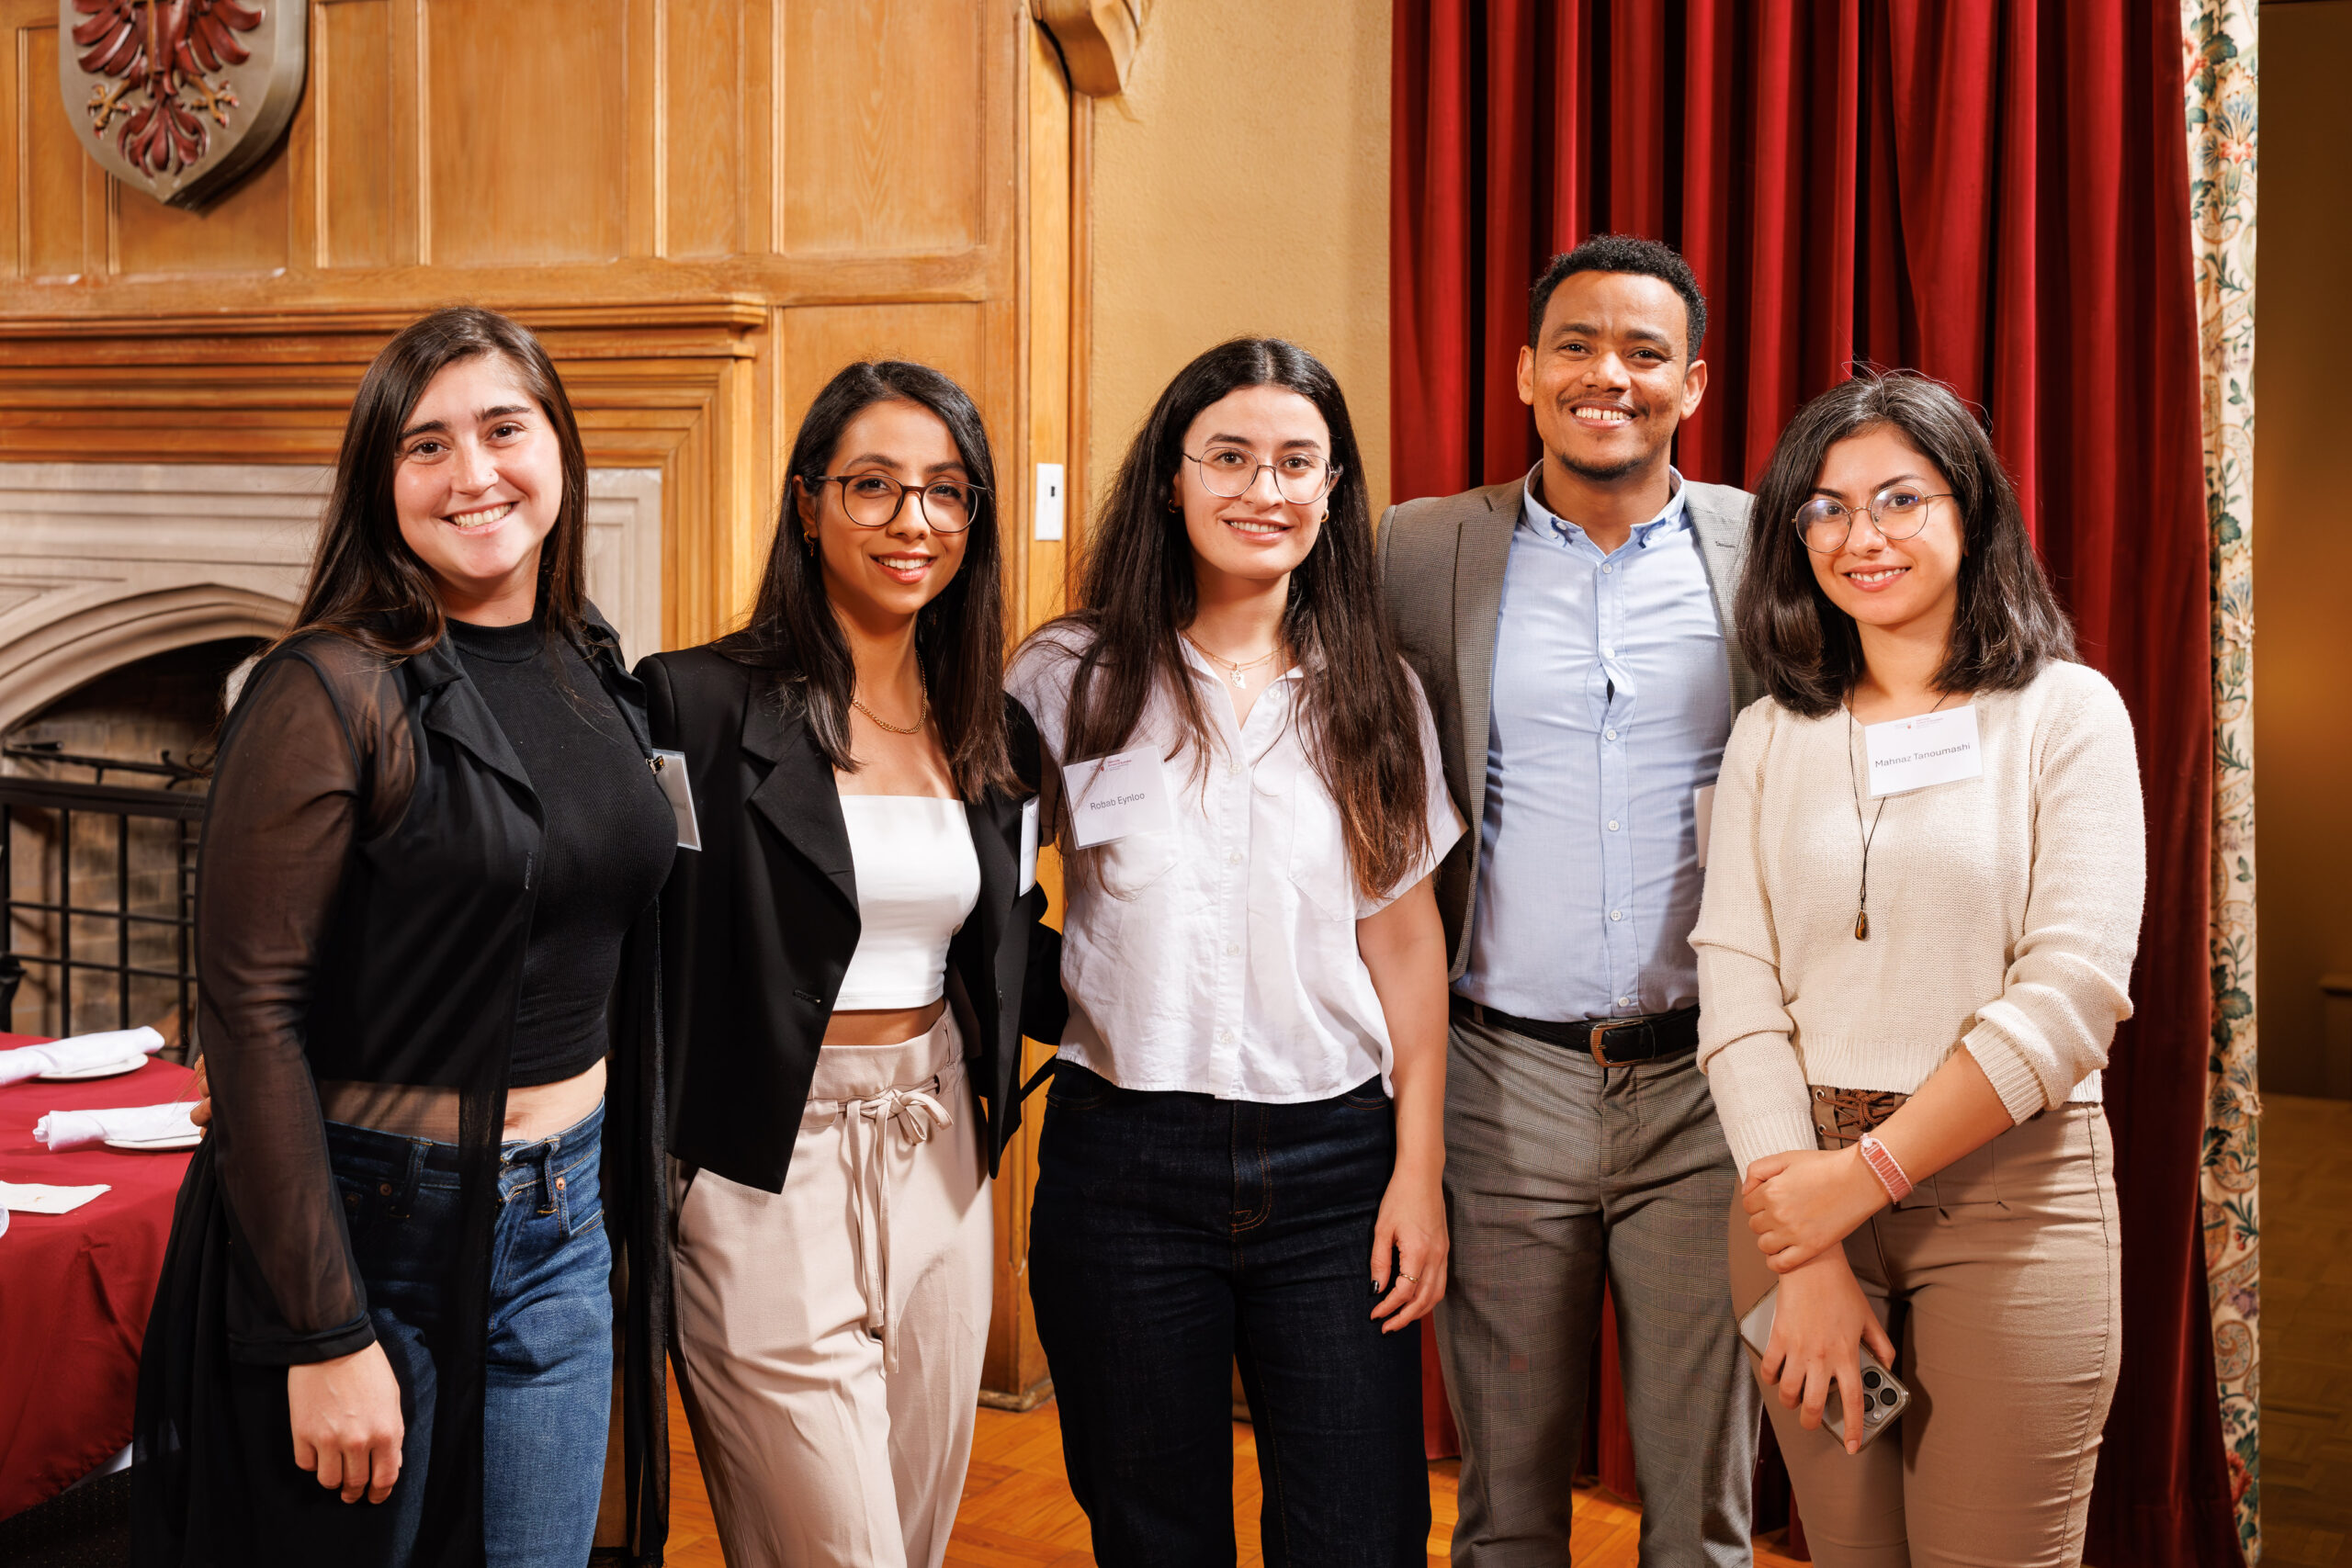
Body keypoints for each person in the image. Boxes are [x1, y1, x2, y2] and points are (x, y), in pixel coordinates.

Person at [134, 307, 675, 1567]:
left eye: (503, 429)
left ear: (561, 448)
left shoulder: (589, 662)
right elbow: (252, 1013)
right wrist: (322, 1335)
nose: (473, 474)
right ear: (383, 483)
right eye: (425, 446)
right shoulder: (330, 687)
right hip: (377, 1235)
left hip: (568, 1224)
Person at [1008, 337, 1462, 1567]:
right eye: (1231, 457)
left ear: (1330, 493)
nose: (1264, 490)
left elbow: (1408, 948)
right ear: (1170, 477)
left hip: (1337, 1169)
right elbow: (979, 898)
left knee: (1361, 1534)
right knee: (1155, 1538)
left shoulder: (1378, 692)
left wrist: (1417, 1173)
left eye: (1296, 464)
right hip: (1123, 1169)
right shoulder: (1067, 678)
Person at [1694, 370, 2140, 1565]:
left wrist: (1867, 1177)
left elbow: (2071, 1000)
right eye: (1826, 508)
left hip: (2010, 1207)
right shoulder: (1769, 736)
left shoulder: (2067, 714)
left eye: (1900, 498)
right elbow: (1734, 988)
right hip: (1796, 1212)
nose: (1862, 535)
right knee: (1851, 1556)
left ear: (1972, 510)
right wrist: (1813, 1241)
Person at [639, 360, 1064, 1568]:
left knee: (913, 1541)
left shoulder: (996, 724)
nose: (912, 521)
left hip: (939, 1151)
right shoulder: (693, 706)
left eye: (945, 492)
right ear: (808, 501)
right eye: (873, 486)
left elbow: (1012, 938)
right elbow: (625, 941)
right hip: (762, 1161)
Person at [1380, 233, 1762, 1564]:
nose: (1611, 375)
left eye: (1645, 353)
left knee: (1702, 1516)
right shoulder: (1418, 551)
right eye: (1580, 346)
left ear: (1693, 385)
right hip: (1501, 1088)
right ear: (1527, 372)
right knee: (1504, 1510)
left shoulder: (1768, 546)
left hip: (1713, 1084)